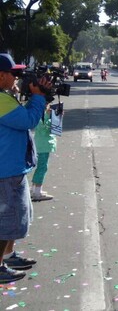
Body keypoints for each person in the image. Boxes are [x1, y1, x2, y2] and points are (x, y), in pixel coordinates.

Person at [0, 53, 52, 283]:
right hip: (5, 170)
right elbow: (28, 121)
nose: (18, 78)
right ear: (1, 75)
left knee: (15, 219)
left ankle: (8, 255)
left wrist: (37, 96)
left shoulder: (5, 96)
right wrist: (38, 97)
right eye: (15, 74)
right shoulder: (1, 100)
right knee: (6, 221)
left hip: (12, 167)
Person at [31, 104, 57, 201]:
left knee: (40, 167)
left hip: (40, 144)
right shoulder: (42, 116)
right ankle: (37, 192)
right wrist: (54, 118)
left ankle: (34, 189)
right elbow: (46, 129)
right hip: (44, 145)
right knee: (42, 167)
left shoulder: (40, 114)